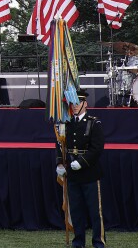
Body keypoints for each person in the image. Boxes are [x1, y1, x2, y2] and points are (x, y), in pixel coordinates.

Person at [56, 90, 106, 248]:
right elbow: (60, 145)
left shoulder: (93, 123)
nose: (75, 106)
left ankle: (98, 242)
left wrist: (82, 162)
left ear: (86, 104)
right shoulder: (67, 123)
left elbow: (97, 148)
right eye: (73, 103)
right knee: (76, 211)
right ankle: (78, 242)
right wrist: (60, 163)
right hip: (72, 173)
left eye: (78, 103)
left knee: (94, 212)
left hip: (89, 172)